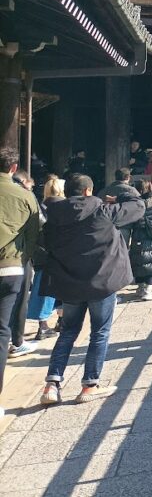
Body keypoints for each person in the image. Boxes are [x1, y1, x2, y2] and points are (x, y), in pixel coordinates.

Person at [39, 173, 143, 405]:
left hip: (69, 281)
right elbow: (138, 206)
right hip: (101, 281)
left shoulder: (53, 214)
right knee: (100, 332)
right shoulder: (102, 211)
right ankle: (89, 385)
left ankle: (51, 384)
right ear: (88, 191)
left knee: (68, 331)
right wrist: (118, 197)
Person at [0, 149, 41, 414]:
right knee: (1, 330)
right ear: (14, 168)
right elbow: (36, 233)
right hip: (12, 267)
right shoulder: (25, 196)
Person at [25, 176, 63, 340]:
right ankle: (62, 320)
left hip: (42, 254)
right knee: (63, 290)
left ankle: (43, 325)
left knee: (44, 292)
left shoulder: (39, 207)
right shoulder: (66, 207)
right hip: (62, 254)